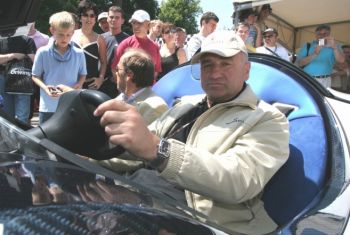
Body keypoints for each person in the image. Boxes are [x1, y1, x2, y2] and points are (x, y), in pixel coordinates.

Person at [93, 31, 290, 234]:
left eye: (226, 64)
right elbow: (137, 147)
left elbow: (239, 181)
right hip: (138, 197)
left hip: (199, 221)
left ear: (246, 70)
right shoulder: (186, 105)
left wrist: (158, 150)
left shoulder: (267, 119)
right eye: (207, 65)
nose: (214, 73)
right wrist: (90, 151)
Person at [31, 11, 87, 124]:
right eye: (61, 34)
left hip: (70, 105)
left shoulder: (79, 53)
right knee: (45, 140)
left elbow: (83, 74)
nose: (65, 38)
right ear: (52, 30)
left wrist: (79, 84)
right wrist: (45, 88)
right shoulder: (43, 52)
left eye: (68, 35)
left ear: (73, 32)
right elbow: (35, 75)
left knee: (68, 140)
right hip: (48, 106)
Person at [115, 48, 168, 125]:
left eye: (117, 69)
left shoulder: (154, 107)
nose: (116, 73)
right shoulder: (122, 97)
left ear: (129, 74)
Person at [111, 9, 162, 80]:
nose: (136, 26)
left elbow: (156, 70)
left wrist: (148, 85)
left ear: (148, 25)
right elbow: (114, 68)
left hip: (148, 89)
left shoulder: (155, 46)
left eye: (139, 23)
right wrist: (123, 86)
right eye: (133, 23)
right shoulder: (125, 44)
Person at [72, 0, 108, 91]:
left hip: (90, 85)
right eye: (85, 15)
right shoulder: (71, 35)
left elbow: (104, 62)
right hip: (71, 83)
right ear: (80, 18)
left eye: (92, 16)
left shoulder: (100, 39)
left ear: (95, 19)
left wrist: (100, 79)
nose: (89, 19)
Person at [0, 35, 36, 124]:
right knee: (20, 116)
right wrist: (15, 55)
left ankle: (10, 136)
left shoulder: (27, 40)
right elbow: (33, 60)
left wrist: (8, 57)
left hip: (11, 78)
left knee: (8, 115)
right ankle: (19, 136)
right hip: (20, 78)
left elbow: (34, 60)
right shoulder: (27, 40)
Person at [297, 24, 345, 88]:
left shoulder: (335, 45)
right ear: (315, 35)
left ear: (329, 34)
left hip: (325, 80)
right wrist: (315, 54)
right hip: (307, 78)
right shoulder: (308, 45)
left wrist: (335, 48)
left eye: (325, 33)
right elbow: (300, 63)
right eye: (319, 34)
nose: (322, 36)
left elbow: (341, 60)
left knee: (321, 98)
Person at [101, 6, 129, 98]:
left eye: (117, 17)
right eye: (111, 17)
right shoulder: (100, 38)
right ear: (108, 19)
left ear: (122, 20)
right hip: (101, 82)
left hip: (117, 84)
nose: (114, 20)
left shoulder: (128, 40)